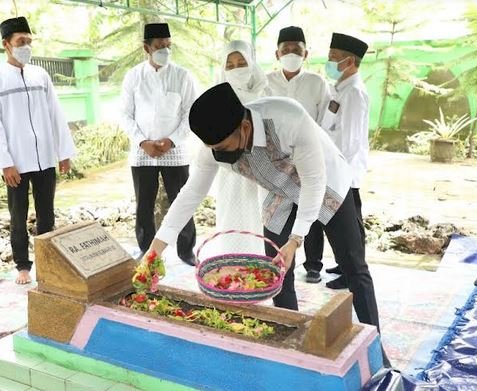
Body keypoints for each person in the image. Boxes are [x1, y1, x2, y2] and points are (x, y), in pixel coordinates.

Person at [147, 82, 383, 339]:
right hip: (280, 191)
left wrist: (295, 240)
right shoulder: (214, 149)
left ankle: (376, 344)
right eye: (214, 150)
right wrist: (156, 249)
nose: (220, 155)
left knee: (353, 265)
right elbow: (191, 194)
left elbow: (314, 182)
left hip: (327, 183)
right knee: (276, 270)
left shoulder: (288, 119)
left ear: (245, 128)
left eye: (224, 148)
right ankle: (292, 339)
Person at [0, 16, 76, 284]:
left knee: (47, 212)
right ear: (6, 45)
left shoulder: (40, 75)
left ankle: (47, 263)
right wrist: (5, 163)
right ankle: (23, 266)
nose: (26, 46)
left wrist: (63, 152)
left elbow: (55, 114)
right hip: (16, 163)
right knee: (18, 214)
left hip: (45, 156)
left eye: (29, 41)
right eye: (20, 42)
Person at [119, 22, 197, 265]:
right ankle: (146, 249)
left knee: (182, 200)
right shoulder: (133, 76)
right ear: (146, 48)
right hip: (143, 152)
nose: (164, 50)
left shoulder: (182, 75)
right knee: (144, 204)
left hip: (175, 151)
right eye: (159, 46)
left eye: (168, 46)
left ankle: (186, 250)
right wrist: (143, 142)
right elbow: (125, 114)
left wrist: (171, 141)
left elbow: (190, 114)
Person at [265, 26, 334, 284]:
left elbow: (326, 121)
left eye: (297, 50)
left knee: (311, 208)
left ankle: (314, 264)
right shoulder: (267, 82)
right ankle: (278, 260)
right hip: (276, 161)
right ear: (277, 53)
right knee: (280, 211)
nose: (291, 53)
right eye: (286, 50)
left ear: (306, 54)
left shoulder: (316, 83)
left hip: (309, 156)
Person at [310, 33, 370, 290]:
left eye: (334, 58)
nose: (329, 62)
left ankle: (352, 270)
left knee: (351, 225)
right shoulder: (340, 88)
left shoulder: (354, 92)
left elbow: (351, 141)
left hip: (344, 171)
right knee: (339, 222)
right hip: (333, 168)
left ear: (350, 61)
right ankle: (344, 264)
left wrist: (335, 168)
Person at [213, 40, 268, 254]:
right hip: (231, 171)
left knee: (261, 219)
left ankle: (263, 267)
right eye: (230, 65)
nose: (236, 69)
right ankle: (233, 261)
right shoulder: (218, 98)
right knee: (233, 217)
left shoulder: (266, 92)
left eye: (241, 62)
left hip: (264, 170)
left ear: (251, 63)